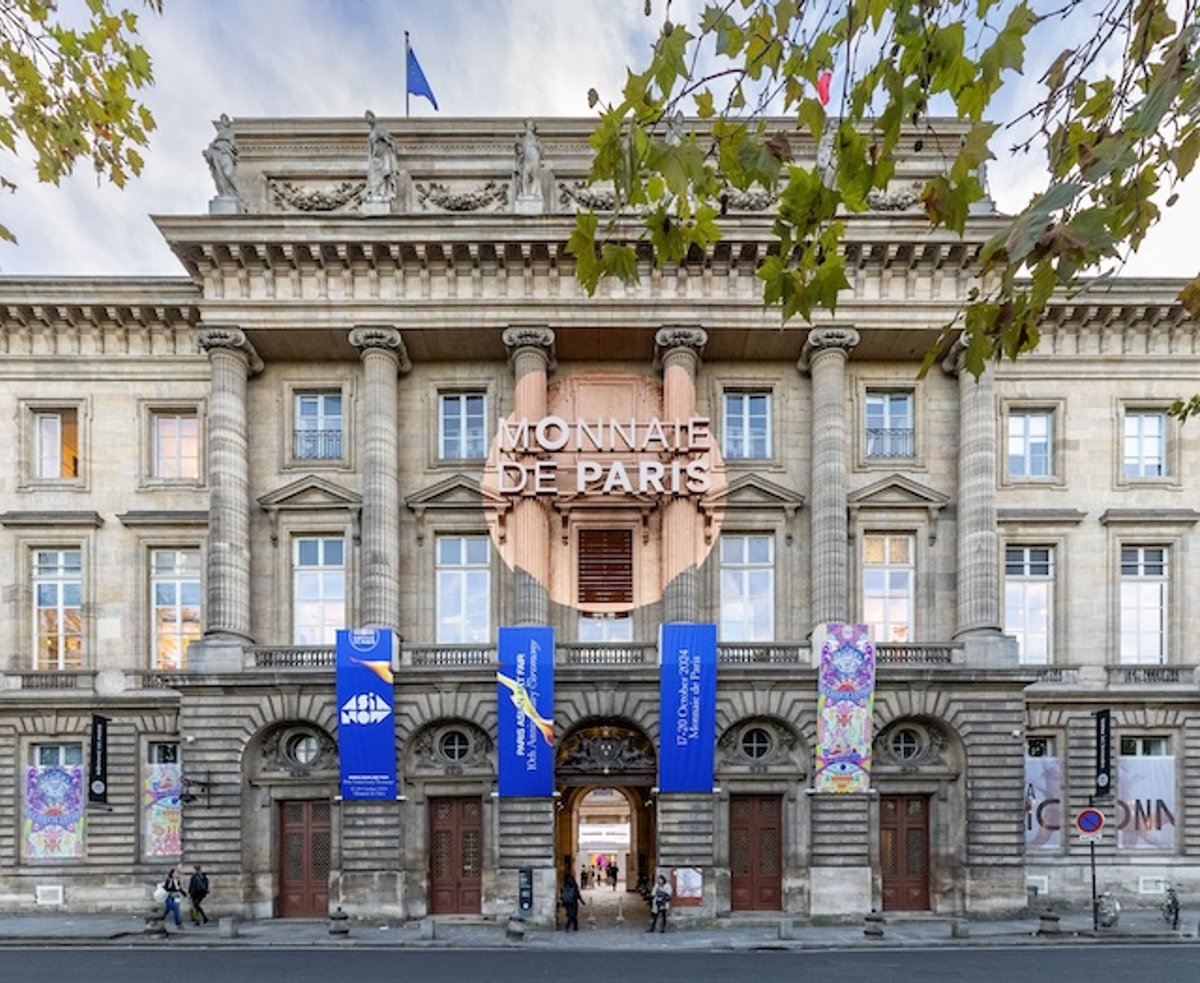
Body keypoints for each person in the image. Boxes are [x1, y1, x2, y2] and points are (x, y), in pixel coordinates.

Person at [202, 113, 239, 200]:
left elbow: (234, 146)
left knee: (228, 174)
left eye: (224, 120)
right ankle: (225, 194)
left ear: (228, 122)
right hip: (218, 153)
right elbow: (212, 147)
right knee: (220, 175)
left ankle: (232, 194)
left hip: (227, 153)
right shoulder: (218, 136)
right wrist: (208, 153)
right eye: (221, 120)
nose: (223, 123)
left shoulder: (231, 132)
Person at [364, 110, 398, 203]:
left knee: (382, 176)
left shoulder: (379, 130)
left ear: (373, 117)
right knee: (375, 177)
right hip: (375, 158)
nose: (368, 120)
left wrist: (386, 142)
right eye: (366, 119)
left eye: (368, 117)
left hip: (382, 157)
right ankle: (377, 193)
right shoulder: (372, 131)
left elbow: (390, 141)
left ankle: (382, 193)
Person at [514, 119, 542, 198]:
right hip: (526, 158)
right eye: (529, 125)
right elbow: (519, 151)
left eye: (532, 125)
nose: (531, 126)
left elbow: (541, 150)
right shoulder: (523, 139)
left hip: (535, 157)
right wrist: (517, 144)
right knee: (524, 174)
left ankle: (534, 193)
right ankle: (525, 193)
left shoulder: (536, 139)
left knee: (535, 175)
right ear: (526, 127)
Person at [161, 867, 185, 931]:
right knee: (176, 909)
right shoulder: (169, 880)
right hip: (169, 897)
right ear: (172, 874)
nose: (177, 874)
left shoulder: (177, 881)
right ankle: (178, 924)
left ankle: (160, 918)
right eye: (176, 873)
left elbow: (179, 889)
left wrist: (184, 893)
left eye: (177, 873)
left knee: (167, 910)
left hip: (176, 897)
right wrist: (173, 889)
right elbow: (166, 888)